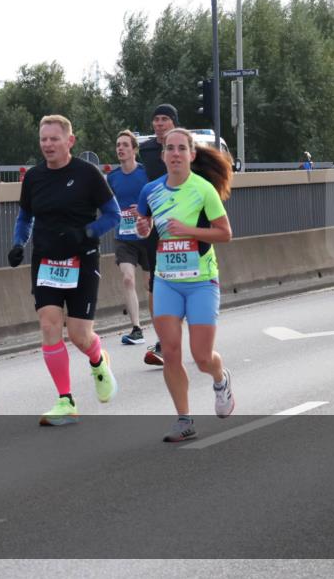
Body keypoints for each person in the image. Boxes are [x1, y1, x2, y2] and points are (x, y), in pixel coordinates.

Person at [8, 115, 120, 426]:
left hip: (81, 260)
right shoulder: (33, 178)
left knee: (80, 335)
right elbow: (24, 217)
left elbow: (114, 216)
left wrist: (87, 232)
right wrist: (19, 243)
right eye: (43, 139)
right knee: (48, 325)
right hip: (46, 261)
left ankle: (98, 360)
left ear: (69, 141)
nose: (47, 145)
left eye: (54, 139)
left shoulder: (87, 174)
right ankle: (66, 401)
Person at [134, 128, 235, 442]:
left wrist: (188, 230)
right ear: (163, 155)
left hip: (202, 282)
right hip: (166, 281)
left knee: (202, 356)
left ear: (192, 155)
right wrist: (142, 227)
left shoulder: (203, 190)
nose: (175, 153)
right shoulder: (149, 191)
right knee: (172, 352)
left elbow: (225, 233)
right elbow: (143, 227)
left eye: (181, 148)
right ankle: (184, 419)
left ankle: (220, 379)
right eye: (170, 148)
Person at [135, 104, 179, 366]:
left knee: (182, 278)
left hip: (182, 221)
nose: (159, 123)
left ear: (174, 123)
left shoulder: (185, 147)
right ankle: (164, 340)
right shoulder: (148, 149)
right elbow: (144, 183)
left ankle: (182, 332)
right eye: (156, 120)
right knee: (156, 279)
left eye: (165, 119)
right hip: (154, 222)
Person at [106, 130, 151, 346]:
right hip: (124, 237)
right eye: (118, 145)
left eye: (125, 145)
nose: (120, 148)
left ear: (134, 149)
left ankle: (163, 328)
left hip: (146, 235)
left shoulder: (145, 173)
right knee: (127, 279)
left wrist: (143, 211)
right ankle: (136, 329)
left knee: (150, 284)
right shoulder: (112, 177)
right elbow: (106, 204)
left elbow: (157, 198)